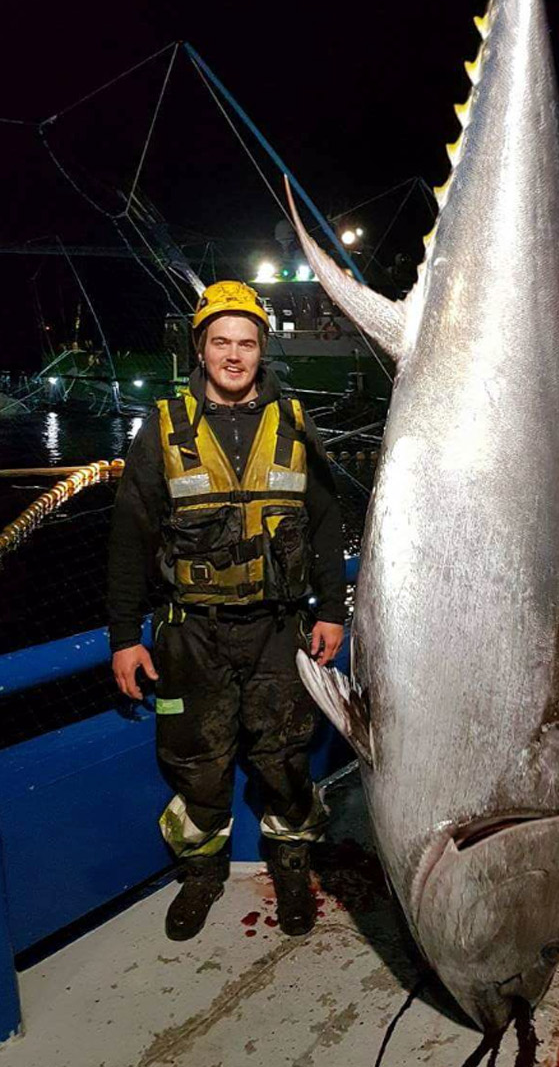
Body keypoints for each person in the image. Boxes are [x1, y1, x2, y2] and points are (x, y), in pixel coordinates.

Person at [107, 281, 346, 941]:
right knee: (196, 763)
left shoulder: (295, 423)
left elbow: (326, 524)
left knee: (286, 758)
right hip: (193, 636)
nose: (234, 355)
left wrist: (332, 609)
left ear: (261, 349)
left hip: (279, 630)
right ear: (201, 347)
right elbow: (129, 538)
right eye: (221, 342)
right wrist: (125, 635)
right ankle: (202, 874)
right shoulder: (162, 429)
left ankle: (291, 864)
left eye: (246, 342)